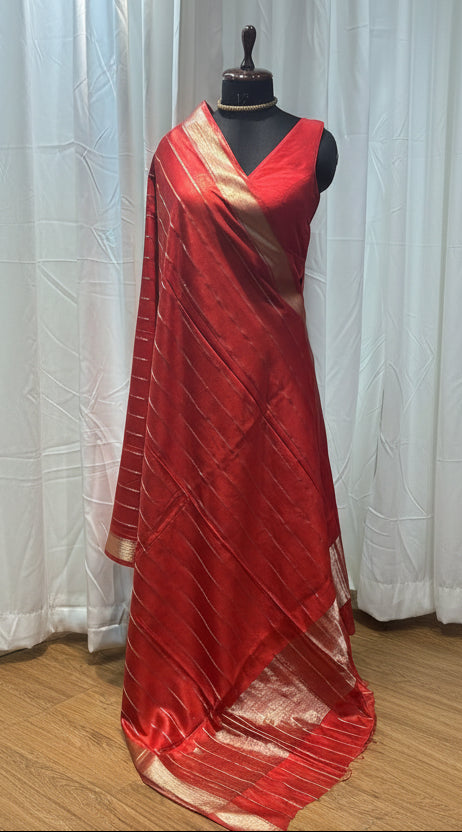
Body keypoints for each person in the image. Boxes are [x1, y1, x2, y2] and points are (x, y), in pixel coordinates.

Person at [105, 26, 376, 832]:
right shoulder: (174, 154)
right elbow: (160, 291)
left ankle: (276, 676)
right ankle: (197, 673)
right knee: (205, 520)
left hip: (279, 383)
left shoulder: (316, 145)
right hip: (194, 389)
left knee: (275, 521)